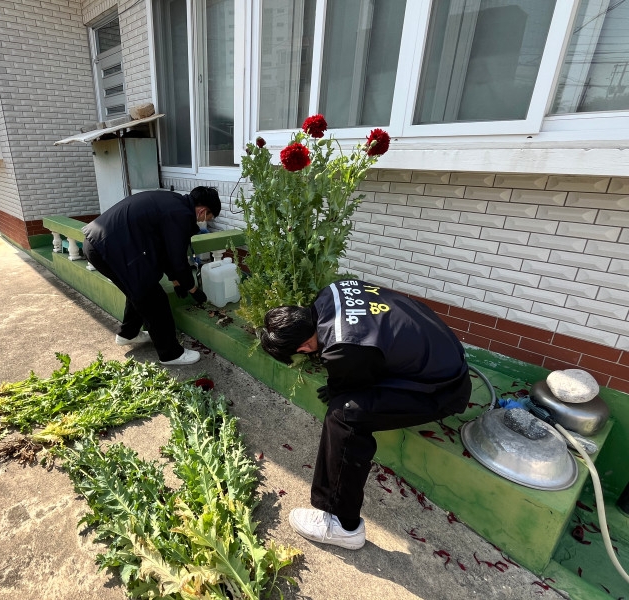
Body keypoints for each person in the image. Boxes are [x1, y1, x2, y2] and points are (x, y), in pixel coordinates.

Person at [260, 279, 471, 549]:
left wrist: (339, 386)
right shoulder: (330, 292)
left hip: (441, 389)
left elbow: (348, 385)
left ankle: (343, 525)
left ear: (302, 348)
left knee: (343, 417)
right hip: (443, 356)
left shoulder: (341, 349)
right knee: (346, 404)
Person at [82, 186, 221, 366]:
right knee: (155, 299)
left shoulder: (173, 203)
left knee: (139, 289)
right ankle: (170, 354)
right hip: (108, 248)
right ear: (202, 210)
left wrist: (176, 281)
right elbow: (178, 259)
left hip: (99, 244)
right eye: (208, 218)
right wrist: (193, 288)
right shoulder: (181, 215)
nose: (205, 222)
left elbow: (165, 251)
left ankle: (128, 334)